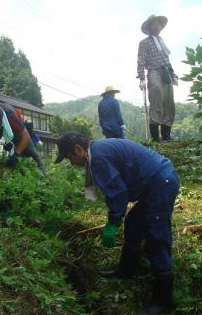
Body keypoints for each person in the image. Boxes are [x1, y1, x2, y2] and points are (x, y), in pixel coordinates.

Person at [55, 131, 180, 315]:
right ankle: (127, 271)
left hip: (161, 183)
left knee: (156, 237)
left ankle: (162, 300)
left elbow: (118, 194)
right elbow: (108, 189)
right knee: (133, 223)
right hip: (156, 182)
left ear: (78, 149)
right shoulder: (96, 152)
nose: (71, 163)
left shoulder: (98, 158)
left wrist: (112, 224)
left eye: (69, 158)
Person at [137, 15, 178, 142]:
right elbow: (141, 60)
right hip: (154, 71)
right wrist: (142, 78)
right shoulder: (144, 43)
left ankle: (166, 135)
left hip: (166, 72)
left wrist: (173, 74)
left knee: (169, 102)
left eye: (159, 24)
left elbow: (166, 59)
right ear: (149, 27)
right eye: (155, 24)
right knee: (156, 100)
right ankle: (155, 138)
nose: (158, 26)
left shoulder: (162, 42)